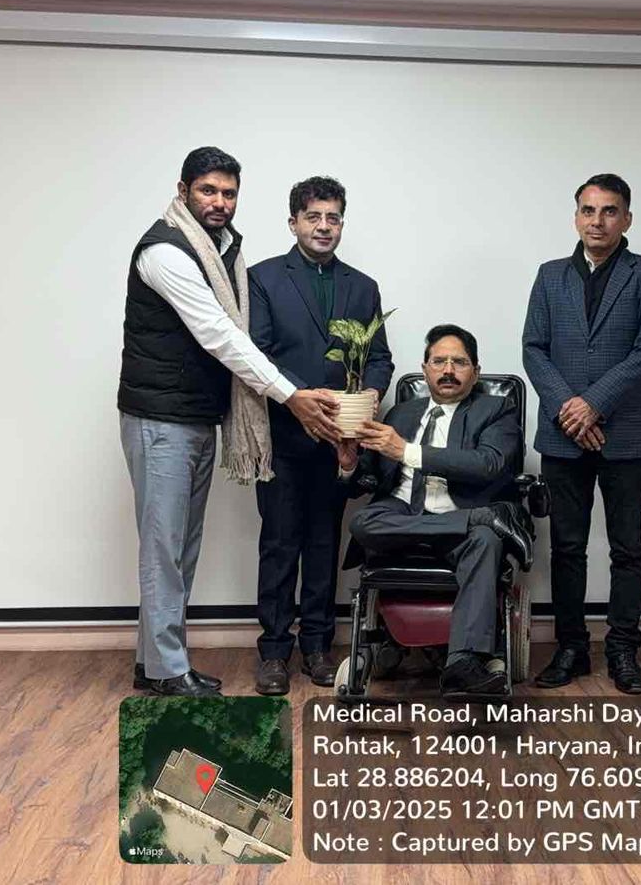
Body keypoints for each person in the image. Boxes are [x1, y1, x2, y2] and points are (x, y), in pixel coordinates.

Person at [119, 147, 338, 697]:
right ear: (183, 191)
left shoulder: (219, 250)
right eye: (208, 190)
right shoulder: (165, 251)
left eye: (228, 193)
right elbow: (220, 334)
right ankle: (167, 670)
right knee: (164, 548)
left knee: (179, 547)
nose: (219, 202)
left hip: (195, 416)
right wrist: (291, 395)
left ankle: (154, 661)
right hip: (160, 419)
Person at [522, 173, 641, 695]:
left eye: (609, 211)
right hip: (563, 434)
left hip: (625, 435)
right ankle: (571, 648)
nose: (598, 221)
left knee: (628, 547)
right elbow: (533, 348)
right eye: (588, 210)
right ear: (576, 218)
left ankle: (623, 649)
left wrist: (594, 405)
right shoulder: (549, 276)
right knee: (567, 546)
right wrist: (571, 409)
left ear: (627, 218)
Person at [249, 176, 393, 696]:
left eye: (333, 218)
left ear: (341, 224)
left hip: (341, 440)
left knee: (323, 540)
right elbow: (256, 354)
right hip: (284, 435)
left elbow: (379, 357)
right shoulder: (263, 278)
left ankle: (317, 646)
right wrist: (299, 399)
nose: (324, 227)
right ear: (293, 223)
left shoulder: (363, 286)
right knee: (280, 542)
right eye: (313, 217)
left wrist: (371, 393)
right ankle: (273, 652)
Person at [339, 325, 536, 698]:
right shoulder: (400, 414)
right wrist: (349, 464)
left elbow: (489, 464)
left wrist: (407, 452)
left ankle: (463, 664)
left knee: (485, 541)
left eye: (459, 362)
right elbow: (368, 479)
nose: (448, 370)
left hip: (461, 528)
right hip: (404, 518)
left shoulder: (496, 410)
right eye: (439, 361)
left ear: (475, 372)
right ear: (425, 368)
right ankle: (476, 520)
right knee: (363, 521)